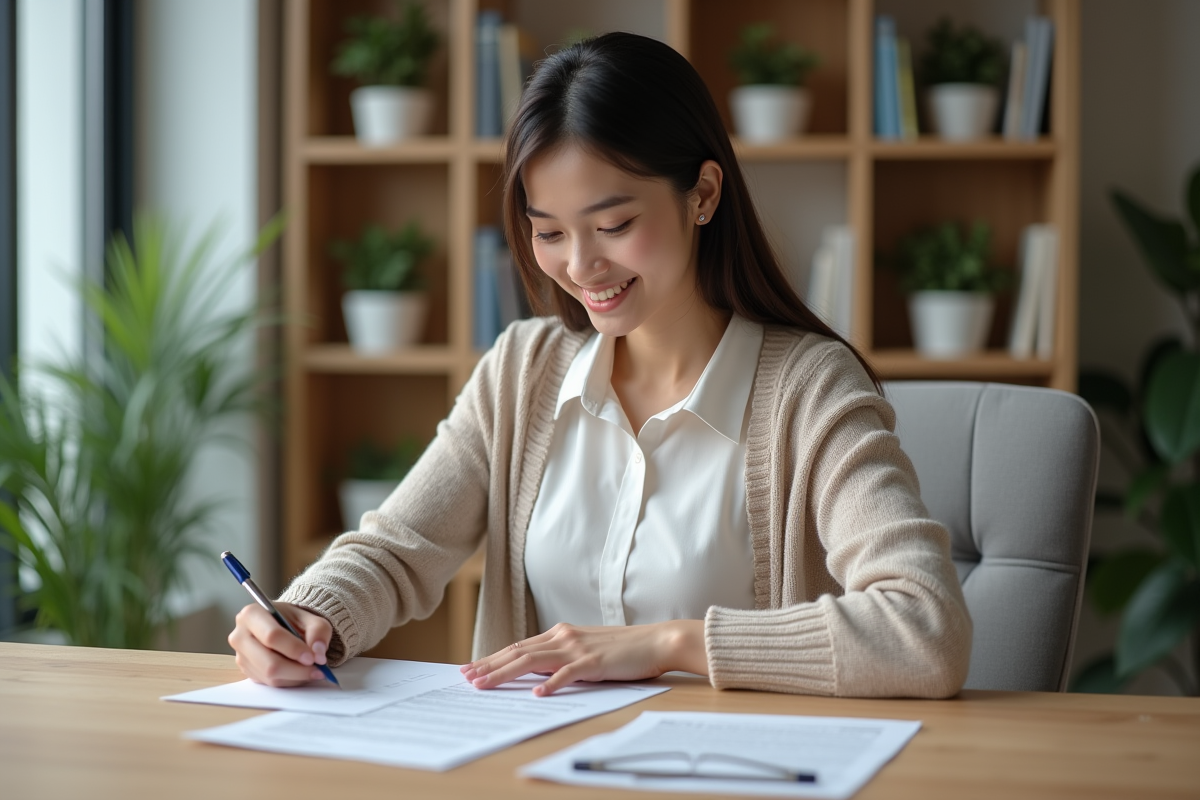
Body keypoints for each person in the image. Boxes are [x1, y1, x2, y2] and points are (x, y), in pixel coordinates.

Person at [228, 32, 971, 699]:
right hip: (534, 771)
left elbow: (925, 628)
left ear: (703, 195)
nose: (581, 267)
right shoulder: (522, 372)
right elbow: (397, 551)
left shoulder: (810, 389)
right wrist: (306, 615)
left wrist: (671, 644)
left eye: (614, 224)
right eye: (549, 233)